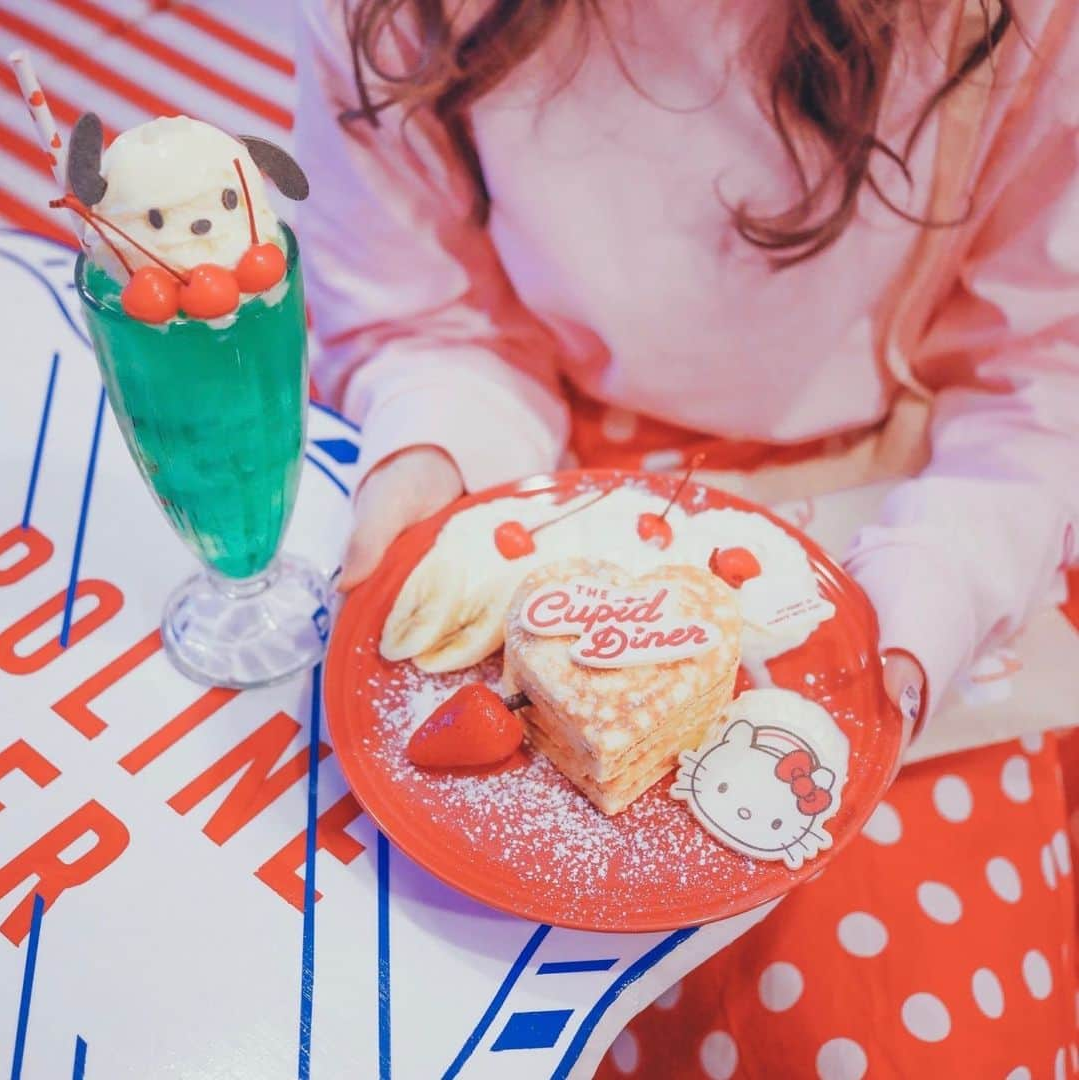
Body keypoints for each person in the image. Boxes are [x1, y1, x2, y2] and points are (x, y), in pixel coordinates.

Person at [294, 0, 1079, 1074]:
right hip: (539, 454)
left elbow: (1039, 368)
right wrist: (435, 464)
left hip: (901, 487)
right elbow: (424, 319)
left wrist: (936, 585)